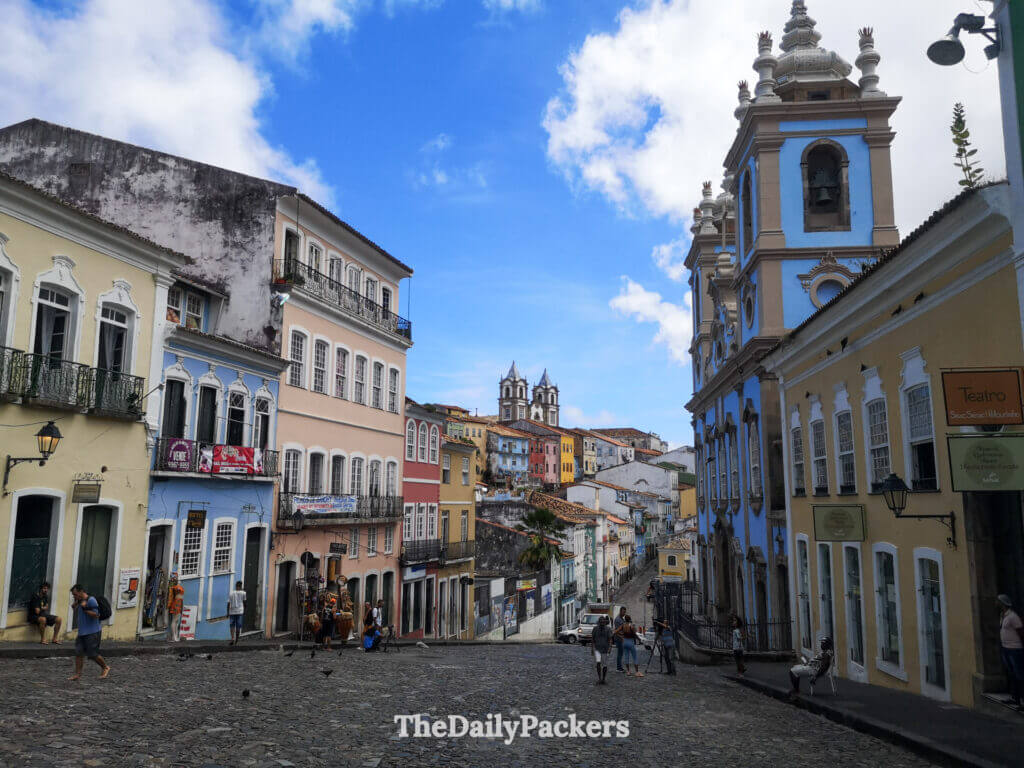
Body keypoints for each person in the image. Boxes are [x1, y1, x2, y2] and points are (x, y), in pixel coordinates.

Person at [69, 584, 110, 681]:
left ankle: (105, 667)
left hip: (93, 632)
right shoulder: (79, 600)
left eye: (75, 594)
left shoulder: (91, 600)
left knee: (92, 654)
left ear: (81, 591)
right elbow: (73, 607)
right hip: (82, 632)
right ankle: (77, 674)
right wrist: (76, 603)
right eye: (73, 595)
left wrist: (85, 608)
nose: (74, 596)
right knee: (79, 653)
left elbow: (96, 615)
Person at [998, 594, 1024, 710]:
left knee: (1019, 675)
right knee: (1012, 674)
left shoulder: (1013, 616)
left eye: (998, 602)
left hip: (1015, 649)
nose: (996, 603)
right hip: (1006, 648)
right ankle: (1015, 698)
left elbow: (1020, 631)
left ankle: (1022, 701)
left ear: (1003, 603)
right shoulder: (1002, 615)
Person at [592, 615, 613, 684]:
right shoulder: (595, 629)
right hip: (597, 649)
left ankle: (603, 679)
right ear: (599, 622)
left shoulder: (608, 629)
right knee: (598, 663)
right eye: (600, 622)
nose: (602, 623)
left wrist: (610, 648)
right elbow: (593, 639)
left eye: (603, 622)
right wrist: (592, 648)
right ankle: (599, 678)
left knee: (604, 665)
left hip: (605, 649)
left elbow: (610, 639)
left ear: (605, 622)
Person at [227, 581, 246, 645]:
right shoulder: (243, 593)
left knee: (232, 626)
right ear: (241, 586)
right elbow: (244, 602)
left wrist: (227, 613)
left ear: (236, 585)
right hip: (240, 611)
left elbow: (228, 603)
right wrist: (244, 610)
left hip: (232, 612)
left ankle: (232, 638)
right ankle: (237, 640)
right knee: (238, 626)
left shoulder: (231, 593)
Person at [613, 606, 627, 672]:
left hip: (622, 638)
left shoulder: (622, 619)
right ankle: (619, 668)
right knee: (620, 654)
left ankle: (620, 667)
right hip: (619, 639)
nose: (624, 613)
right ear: (620, 611)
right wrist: (622, 637)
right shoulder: (618, 619)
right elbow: (617, 631)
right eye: (623, 612)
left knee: (621, 654)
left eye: (625, 612)